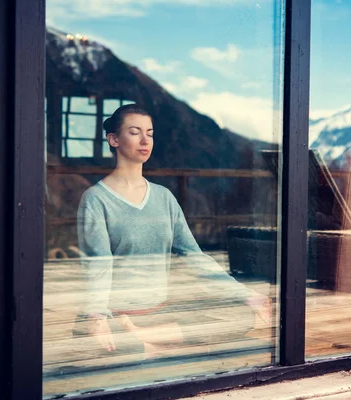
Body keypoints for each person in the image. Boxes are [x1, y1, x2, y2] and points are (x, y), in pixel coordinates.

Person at [74, 104, 271, 356]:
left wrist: (248, 295)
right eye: (135, 132)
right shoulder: (96, 199)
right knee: (109, 343)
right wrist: (98, 316)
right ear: (114, 139)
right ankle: (148, 341)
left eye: (150, 133)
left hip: (161, 311)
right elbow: (98, 263)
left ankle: (147, 340)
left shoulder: (164, 197)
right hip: (117, 313)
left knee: (241, 317)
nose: (145, 140)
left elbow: (194, 256)